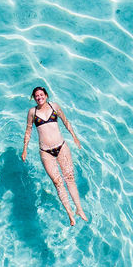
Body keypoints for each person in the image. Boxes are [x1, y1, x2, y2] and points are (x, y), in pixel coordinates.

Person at [21, 86, 88, 225]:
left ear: (46, 95)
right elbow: (28, 131)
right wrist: (25, 149)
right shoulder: (32, 112)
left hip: (61, 147)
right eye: (36, 96)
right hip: (46, 152)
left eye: (41, 95)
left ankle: (79, 209)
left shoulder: (54, 106)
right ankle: (70, 213)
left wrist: (74, 137)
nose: (39, 97)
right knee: (58, 182)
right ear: (34, 98)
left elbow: (65, 121)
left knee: (69, 178)